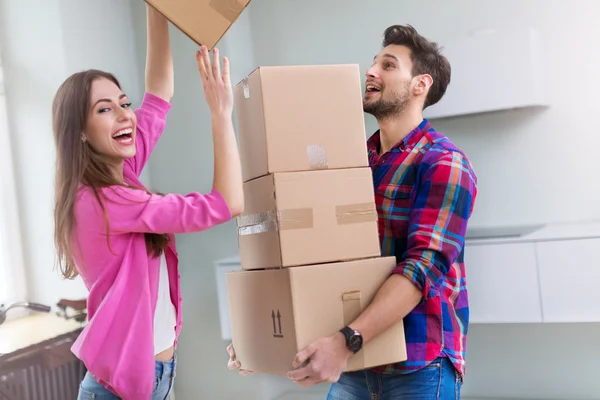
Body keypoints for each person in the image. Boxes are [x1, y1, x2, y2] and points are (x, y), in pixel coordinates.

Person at [227, 24, 477, 399]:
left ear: (420, 85)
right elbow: (318, 260)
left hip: (417, 365)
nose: (371, 71)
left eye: (388, 65)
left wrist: (345, 342)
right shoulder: (354, 160)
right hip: (356, 365)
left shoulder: (443, 162)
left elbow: (421, 268)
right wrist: (262, 340)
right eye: (374, 62)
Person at [52, 5, 243, 400]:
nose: (126, 114)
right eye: (105, 109)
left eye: (123, 103)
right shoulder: (103, 200)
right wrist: (221, 115)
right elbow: (226, 203)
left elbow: (158, 94)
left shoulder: (120, 174)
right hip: (120, 389)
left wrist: (156, 9)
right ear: (82, 133)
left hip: (152, 376)